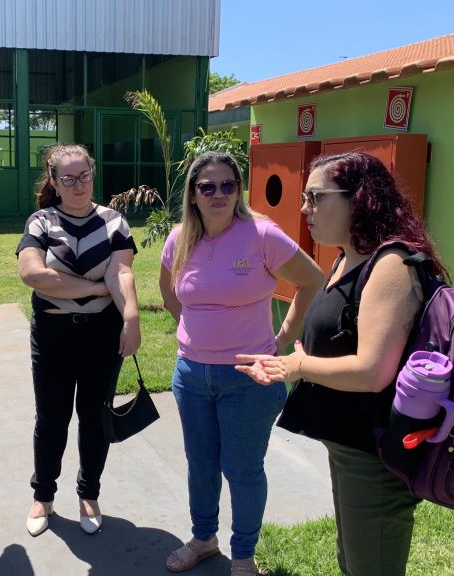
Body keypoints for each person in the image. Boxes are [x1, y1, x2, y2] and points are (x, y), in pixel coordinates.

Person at [236, 151, 449, 576]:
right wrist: (289, 361)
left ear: (359, 199)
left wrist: (298, 367)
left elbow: (372, 372)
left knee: (370, 565)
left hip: (375, 452)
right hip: (349, 444)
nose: (304, 209)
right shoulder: (348, 255)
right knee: (352, 559)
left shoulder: (390, 264)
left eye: (316, 197)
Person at [160, 151, 324, 576]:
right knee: (201, 464)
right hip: (191, 376)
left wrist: (283, 336)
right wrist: (193, 333)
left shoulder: (261, 235)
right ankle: (203, 538)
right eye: (207, 187)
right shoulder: (179, 239)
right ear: (193, 195)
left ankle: (244, 555)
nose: (218, 194)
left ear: (239, 192)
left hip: (250, 378)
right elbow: (169, 290)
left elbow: (311, 280)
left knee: (242, 468)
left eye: (228, 186)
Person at [16, 144, 140, 537]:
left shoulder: (114, 222)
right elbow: (34, 275)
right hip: (53, 335)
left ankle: (89, 494)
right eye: (67, 178)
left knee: (94, 417)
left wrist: (131, 317)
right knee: (51, 419)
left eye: (83, 175)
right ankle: (43, 495)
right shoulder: (41, 221)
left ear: (93, 173)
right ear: (53, 181)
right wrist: (95, 289)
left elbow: (121, 273)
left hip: (101, 336)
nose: (77, 184)